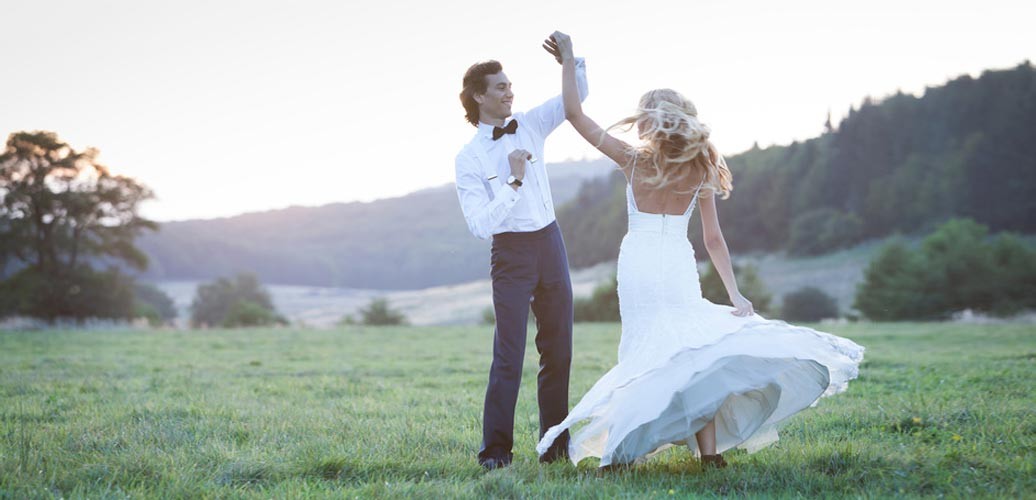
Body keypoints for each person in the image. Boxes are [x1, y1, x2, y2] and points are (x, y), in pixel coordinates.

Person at [535, 31, 865, 470]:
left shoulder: (634, 161)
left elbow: (575, 114)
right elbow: (713, 240)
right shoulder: (701, 167)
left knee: (643, 353)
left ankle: (620, 454)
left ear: (650, 120)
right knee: (694, 354)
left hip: (638, 264)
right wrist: (735, 294)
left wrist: (569, 61)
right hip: (676, 264)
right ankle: (709, 455)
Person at [454, 42, 589, 470]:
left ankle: (554, 447)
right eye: (500, 88)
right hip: (510, 254)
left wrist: (568, 60)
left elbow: (576, 98)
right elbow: (479, 226)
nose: (510, 93)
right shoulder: (469, 157)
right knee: (509, 355)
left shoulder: (530, 124)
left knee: (559, 350)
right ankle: (495, 452)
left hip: (550, 243)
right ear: (479, 96)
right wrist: (513, 182)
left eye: (511, 86)